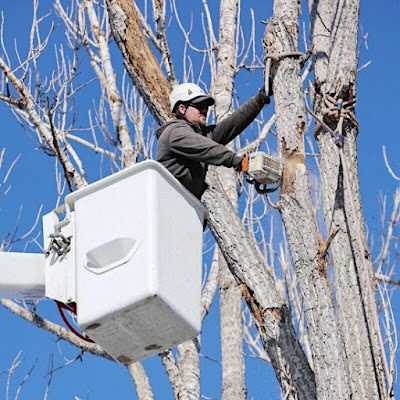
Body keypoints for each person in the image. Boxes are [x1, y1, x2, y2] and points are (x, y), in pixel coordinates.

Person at [156, 83, 270, 199]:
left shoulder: (201, 135)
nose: (204, 110)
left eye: (206, 107)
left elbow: (232, 125)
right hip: (167, 204)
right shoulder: (174, 131)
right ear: (182, 109)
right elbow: (205, 147)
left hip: (183, 207)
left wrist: (259, 100)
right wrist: (238, 161)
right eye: (199, 106)